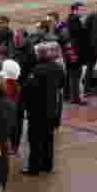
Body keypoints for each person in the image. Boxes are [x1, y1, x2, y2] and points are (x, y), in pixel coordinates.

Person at [25, 43, 65, 175]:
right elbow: (61, 84)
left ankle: (34, 167)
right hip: (53, 109)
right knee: (48, 139)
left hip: (37, 111)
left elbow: (29, 91)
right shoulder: (58, 68)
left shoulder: (37, 70)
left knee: (35, 140)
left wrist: (27, 106)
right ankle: (47, 165)